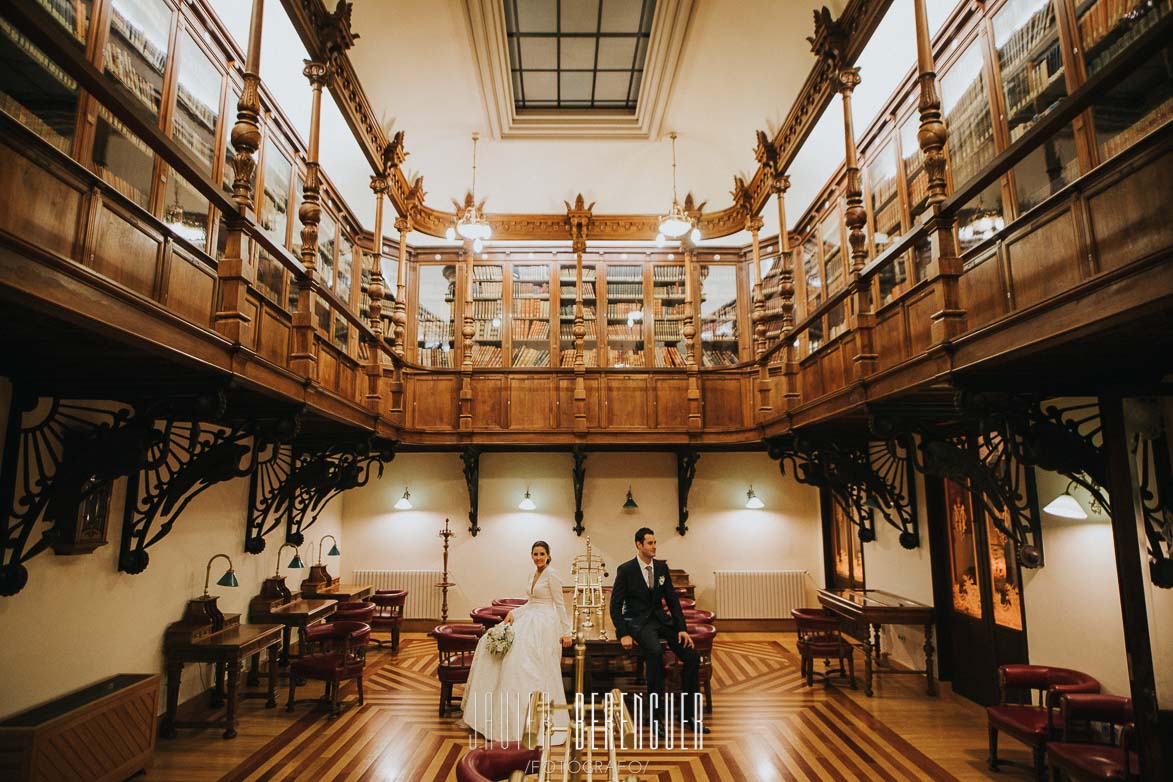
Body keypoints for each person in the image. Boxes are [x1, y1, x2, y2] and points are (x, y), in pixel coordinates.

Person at [462, 541, 574, 744]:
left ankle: (533, 721)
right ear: (531, 555)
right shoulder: (532, 574)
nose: (538, 557)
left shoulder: (552, 575)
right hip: (530, 616)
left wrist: (567, 632)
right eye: (535, 554)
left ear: (548, 555)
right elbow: (531, 602)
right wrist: (514, 612)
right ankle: (503, 720)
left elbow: (559, 605)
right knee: (492, 644)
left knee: (522, 663)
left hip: (544, 624)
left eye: (542, 554)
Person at [610, 527, 708, 734]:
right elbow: (615, 605)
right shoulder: (625, 570)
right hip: (638, 622)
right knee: (654, 654)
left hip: (661, 620)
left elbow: (672, 600)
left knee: (691, 656)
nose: (654, 546)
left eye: (655, 542)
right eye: (650, 543)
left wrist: (681, 629)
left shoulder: (661, 568)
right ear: (639, 545)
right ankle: (654, 718)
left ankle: (688, 714)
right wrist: (623, 633)